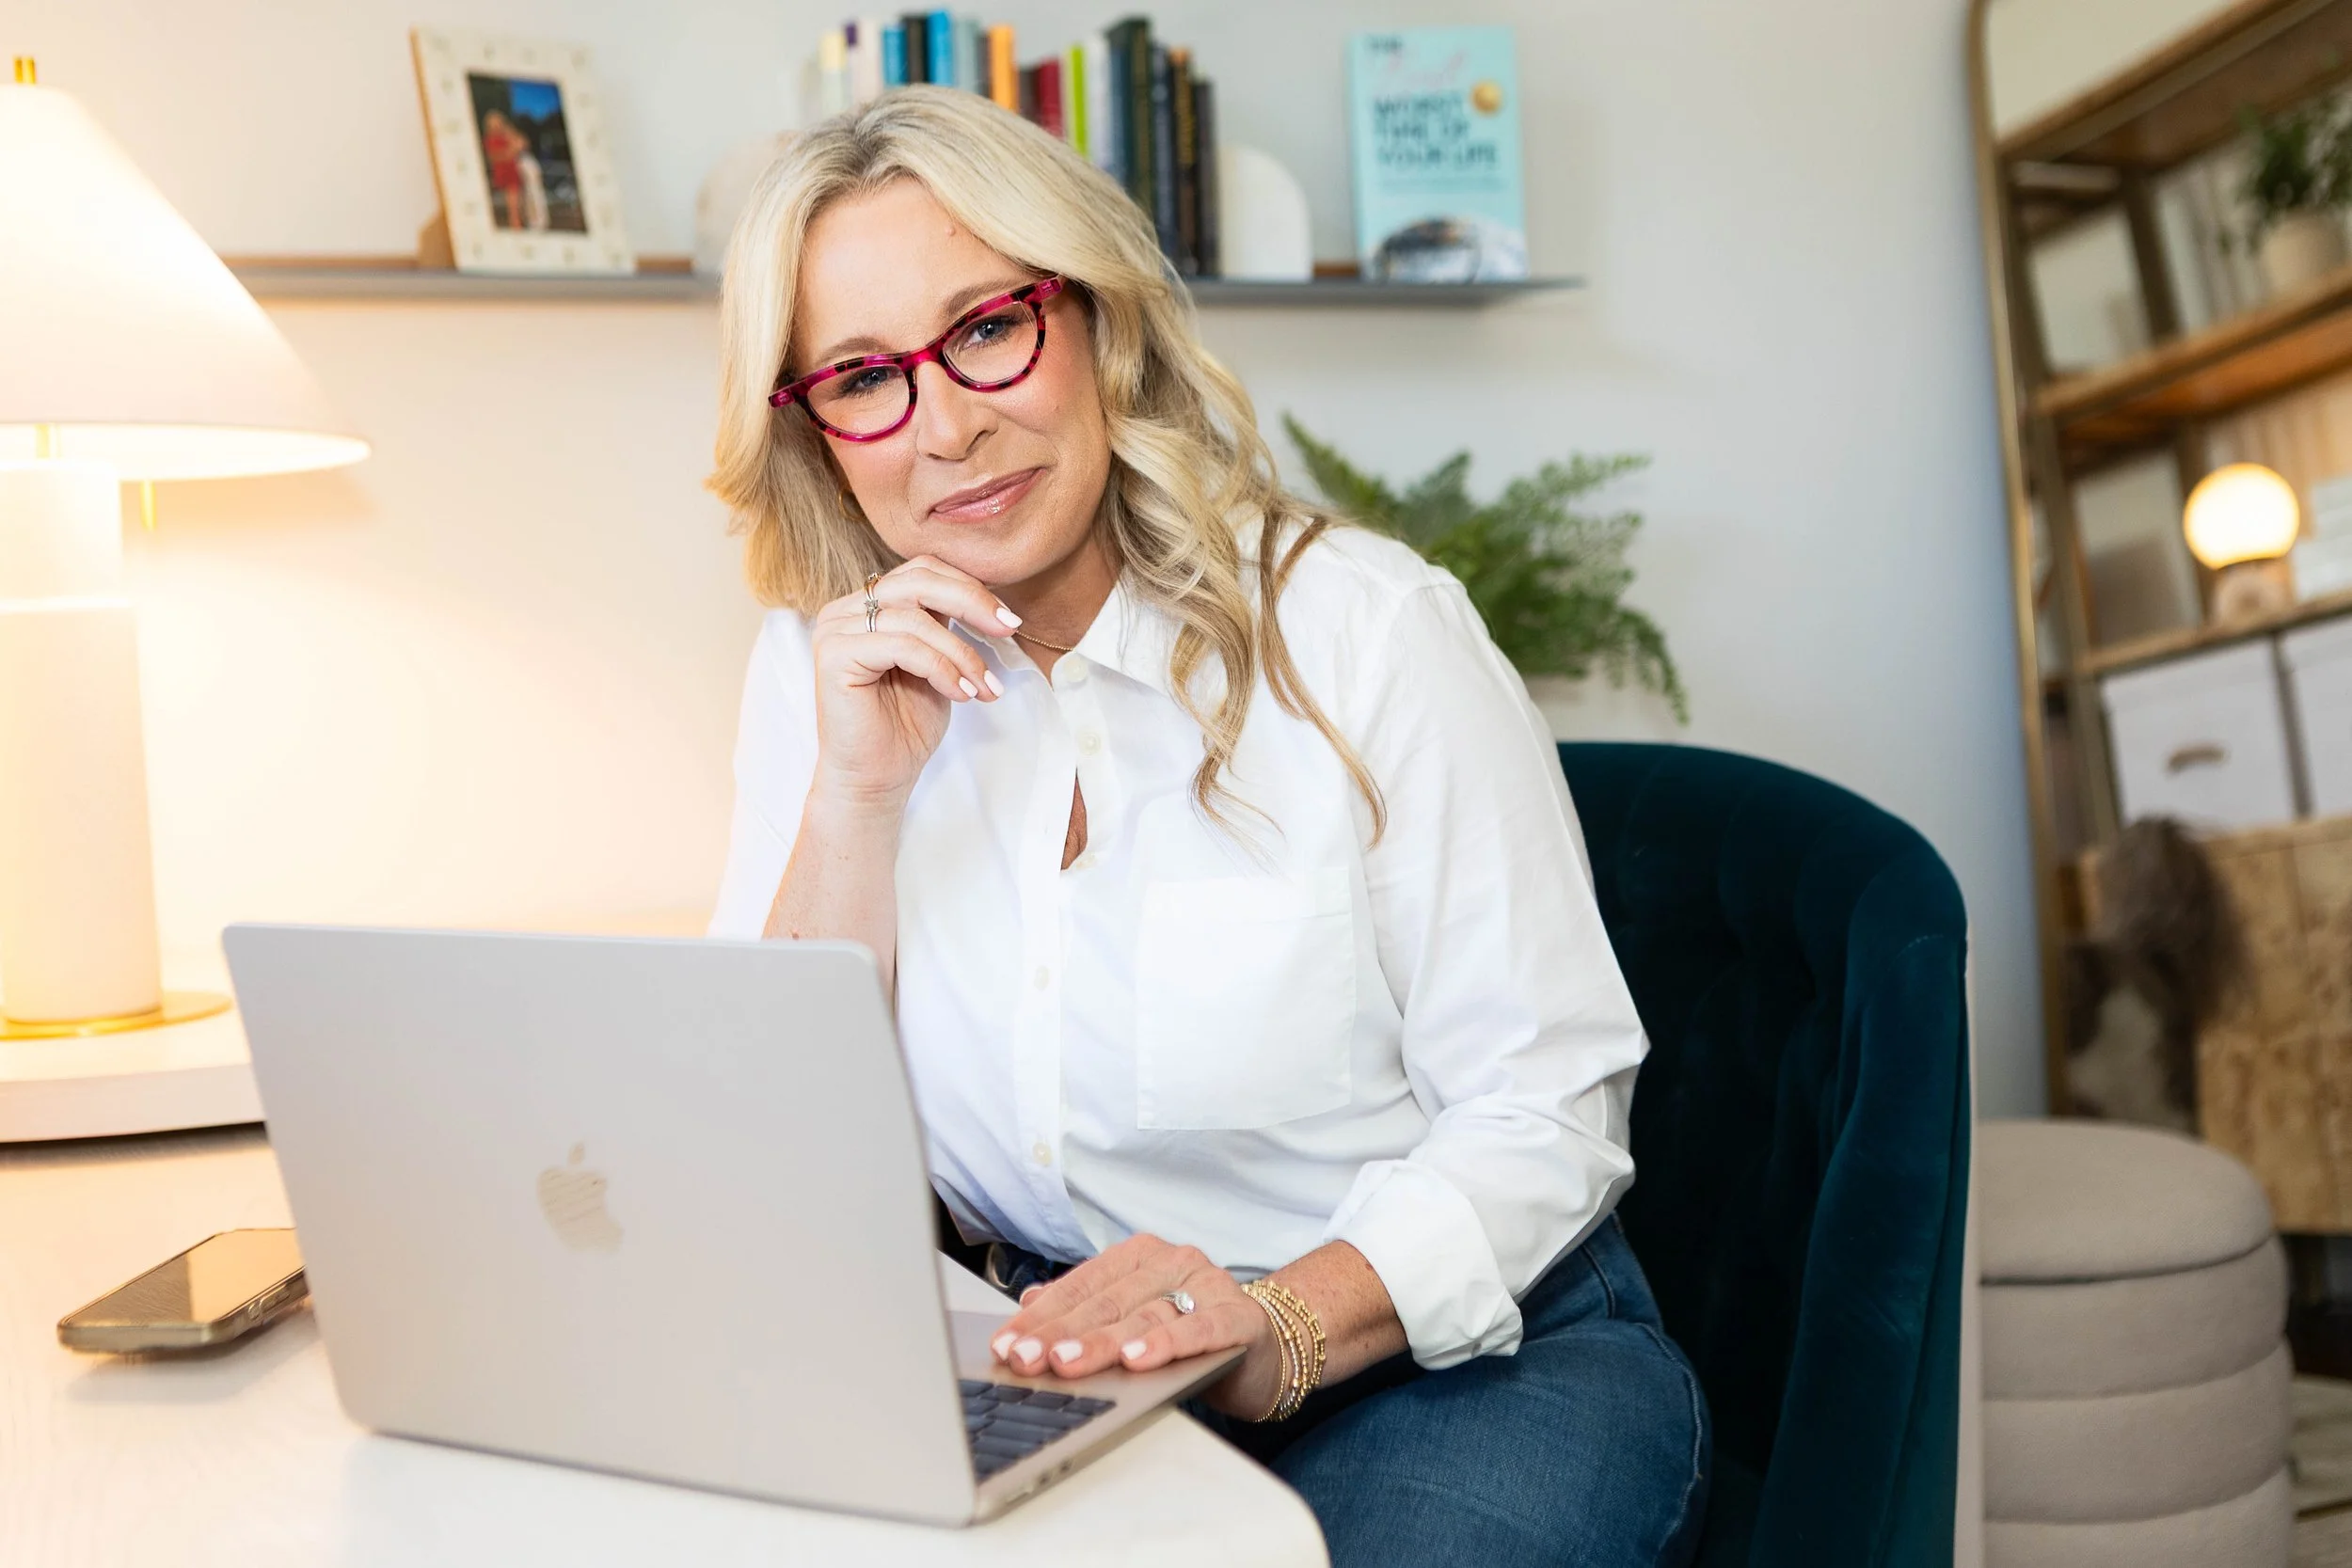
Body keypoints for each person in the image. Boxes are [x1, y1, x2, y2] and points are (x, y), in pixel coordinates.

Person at [707, 85, 1709, 1566]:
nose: (949, 425)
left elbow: (1547, 1107)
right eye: (863, 377)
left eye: (988, 326)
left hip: (1448, 1353)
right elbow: (766, 1153)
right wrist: (857, 796)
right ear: (816, 432)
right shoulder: (823, 674)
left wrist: (1277, 1324)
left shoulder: (1365, 631)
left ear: (1096, 321)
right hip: (1052, 1362)